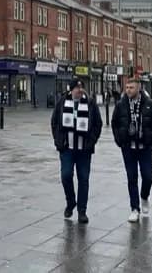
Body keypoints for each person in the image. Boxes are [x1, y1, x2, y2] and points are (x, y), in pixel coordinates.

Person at [50, 78, 103, 224]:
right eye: (76, 88)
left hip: (84, 149)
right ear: (71, 90)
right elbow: (54, 121)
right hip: (67, 148)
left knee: (83, 179)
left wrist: (91, 141)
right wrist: (58, 140)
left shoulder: (90, 103)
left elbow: (98, 124)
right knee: (66, 176)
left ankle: (82, 211)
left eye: (81, 88)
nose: (79, 91)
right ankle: (71, 201)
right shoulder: (62, 102)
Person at [111, 78, 152, 223]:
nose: (128, 90)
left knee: (148, 176)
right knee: (131, 177)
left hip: (145, 147)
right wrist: (119, 139)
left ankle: (144, 196)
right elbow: (114, 122)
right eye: (126, 87)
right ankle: (134, 208)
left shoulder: (149, 104)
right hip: (128, 147)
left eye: (131, 87)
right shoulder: (121, 105)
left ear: (138, 88)